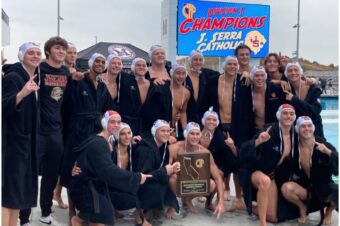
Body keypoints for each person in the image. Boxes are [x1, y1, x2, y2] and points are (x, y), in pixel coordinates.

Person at [18, 36, 70, 226]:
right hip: (37, 131)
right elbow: (15, 71)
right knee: (30, 173)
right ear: (48, 51)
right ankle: (23, 216)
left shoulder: (66, 71)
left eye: (63, 49)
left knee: (51, 174)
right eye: (57, 48)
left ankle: (46, 212)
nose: (61, 52)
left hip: (56, 131)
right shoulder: (39, 69)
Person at [69, 110, 151, 226]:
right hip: (86, 187)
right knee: (103, 217)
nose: (116, 125)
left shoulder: (108, 140)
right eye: (112, 122)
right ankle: (77, 220)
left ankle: (79, 220)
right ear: (104, 123)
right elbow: (108, 170)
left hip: (97, 186)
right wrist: (136, 178)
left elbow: (81, 151)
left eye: (118, 122)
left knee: (105, 217)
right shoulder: (100, 143)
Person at [60, 52, 116, 224]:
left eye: (102, 62)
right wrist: (70, 78)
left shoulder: (102, 86)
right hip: (77, 130)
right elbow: (66, 102)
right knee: (73, 170)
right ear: (90, 63)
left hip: (94, 132)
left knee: (90, 170)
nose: (100, 64)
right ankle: (71, 210)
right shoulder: (78, 81)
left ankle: (88, 209)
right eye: (97, 61)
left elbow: (108, 109)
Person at [2, 42, 41, 226]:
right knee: (10, 191)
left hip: (25, 142)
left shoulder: (33, 77)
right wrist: (22, 94)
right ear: (21, 56)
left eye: (37, 53)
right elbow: (4, 107)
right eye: (30, 53)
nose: (35, 56)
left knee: (18, 190)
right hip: (13, 143)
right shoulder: (13, 78)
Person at [239, 104, 297, 226]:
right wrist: (258, 141)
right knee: (265, 181)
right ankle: (262, 223)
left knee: (274, 218)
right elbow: (243, 150)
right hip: (253, 171)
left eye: (291, 114)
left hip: (272, 174)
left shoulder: (294, 135)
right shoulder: (269, 130)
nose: (288, 116)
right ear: (279, 116)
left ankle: (243, 205)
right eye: (285, 113)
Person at [281, 116, 338, 225]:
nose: (307, 129)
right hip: (307, 190)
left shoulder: (324, 145)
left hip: (324, 188)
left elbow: (337, 168)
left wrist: (328, 152)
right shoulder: (294, 148)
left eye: (309, 126)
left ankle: (329, 211)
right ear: (297, 129)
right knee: (286, 188)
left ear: (313, 127)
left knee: (337, 191)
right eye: (303, 126)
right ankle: (302, 207)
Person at [168, 122, 226, 219]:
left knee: (215, 184)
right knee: (172, 178)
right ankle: (174, 202)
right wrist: (171, 205)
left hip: (195, 181)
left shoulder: (205, 152)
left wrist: (221, 202)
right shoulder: (174, 148)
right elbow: (165, 171)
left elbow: (218, 178)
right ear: (186, 134)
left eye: (197, 134)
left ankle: (206, 202)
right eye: (192, 134)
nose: (195, 137)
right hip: (179, 180)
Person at [133, 120, 181, 222]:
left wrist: (173, 168)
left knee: (173, 178)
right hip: (140, 184)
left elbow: (163, 169)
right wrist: (165, 171)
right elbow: (143, 176)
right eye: (162, 131)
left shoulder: (163, 146)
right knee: (158, 188)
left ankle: (156, 207)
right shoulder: (145, 149)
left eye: (168, 131)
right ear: (155, 132)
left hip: (154, 179)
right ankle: (140, 212)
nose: (166, 134)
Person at [199, 109, 242, 210]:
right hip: (197, 165)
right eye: (208, 119)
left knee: (220, 173)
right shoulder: (196, 133)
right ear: (203, 121)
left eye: (214, 120)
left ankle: (212, 202)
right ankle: (187, 199)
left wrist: (232, 146)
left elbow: (235, 156)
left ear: (217, 122)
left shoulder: (221, 136)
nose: (211, 122)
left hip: (214, 166)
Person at [283, 62, 324, 138]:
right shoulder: (286, 90)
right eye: (290, 71)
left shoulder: (313, 88)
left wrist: (294, 99)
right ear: (286, 75)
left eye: (296, 70)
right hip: (296, 131)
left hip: (314, 130)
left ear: (300, 72)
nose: (293, 73)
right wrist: (279, 81)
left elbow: (315, 111)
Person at [185, 50, 219, 124]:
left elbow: (225, 75)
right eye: (195, 59)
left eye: (200, 60)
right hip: (187, 116)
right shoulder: (184, 77)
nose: (198, 62)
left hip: (203, 117)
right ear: (190, 61)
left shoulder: (208, 74)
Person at [249, 66, 286, 132]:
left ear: (265, 77)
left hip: (272, 130)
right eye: (257, 76)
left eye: (262, 75)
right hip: (254, 130)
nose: (260, 78)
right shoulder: (247, 93)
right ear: (252, 78)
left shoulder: (276, 90)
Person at [169, 63, 190, 138]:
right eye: (178, 73)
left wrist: (185, 130)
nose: (181, 76)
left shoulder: (186, 93)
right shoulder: (164, 88)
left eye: (183, 74)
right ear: (172, 73)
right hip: (161, 128)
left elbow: (183, 112)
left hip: (174, 129)